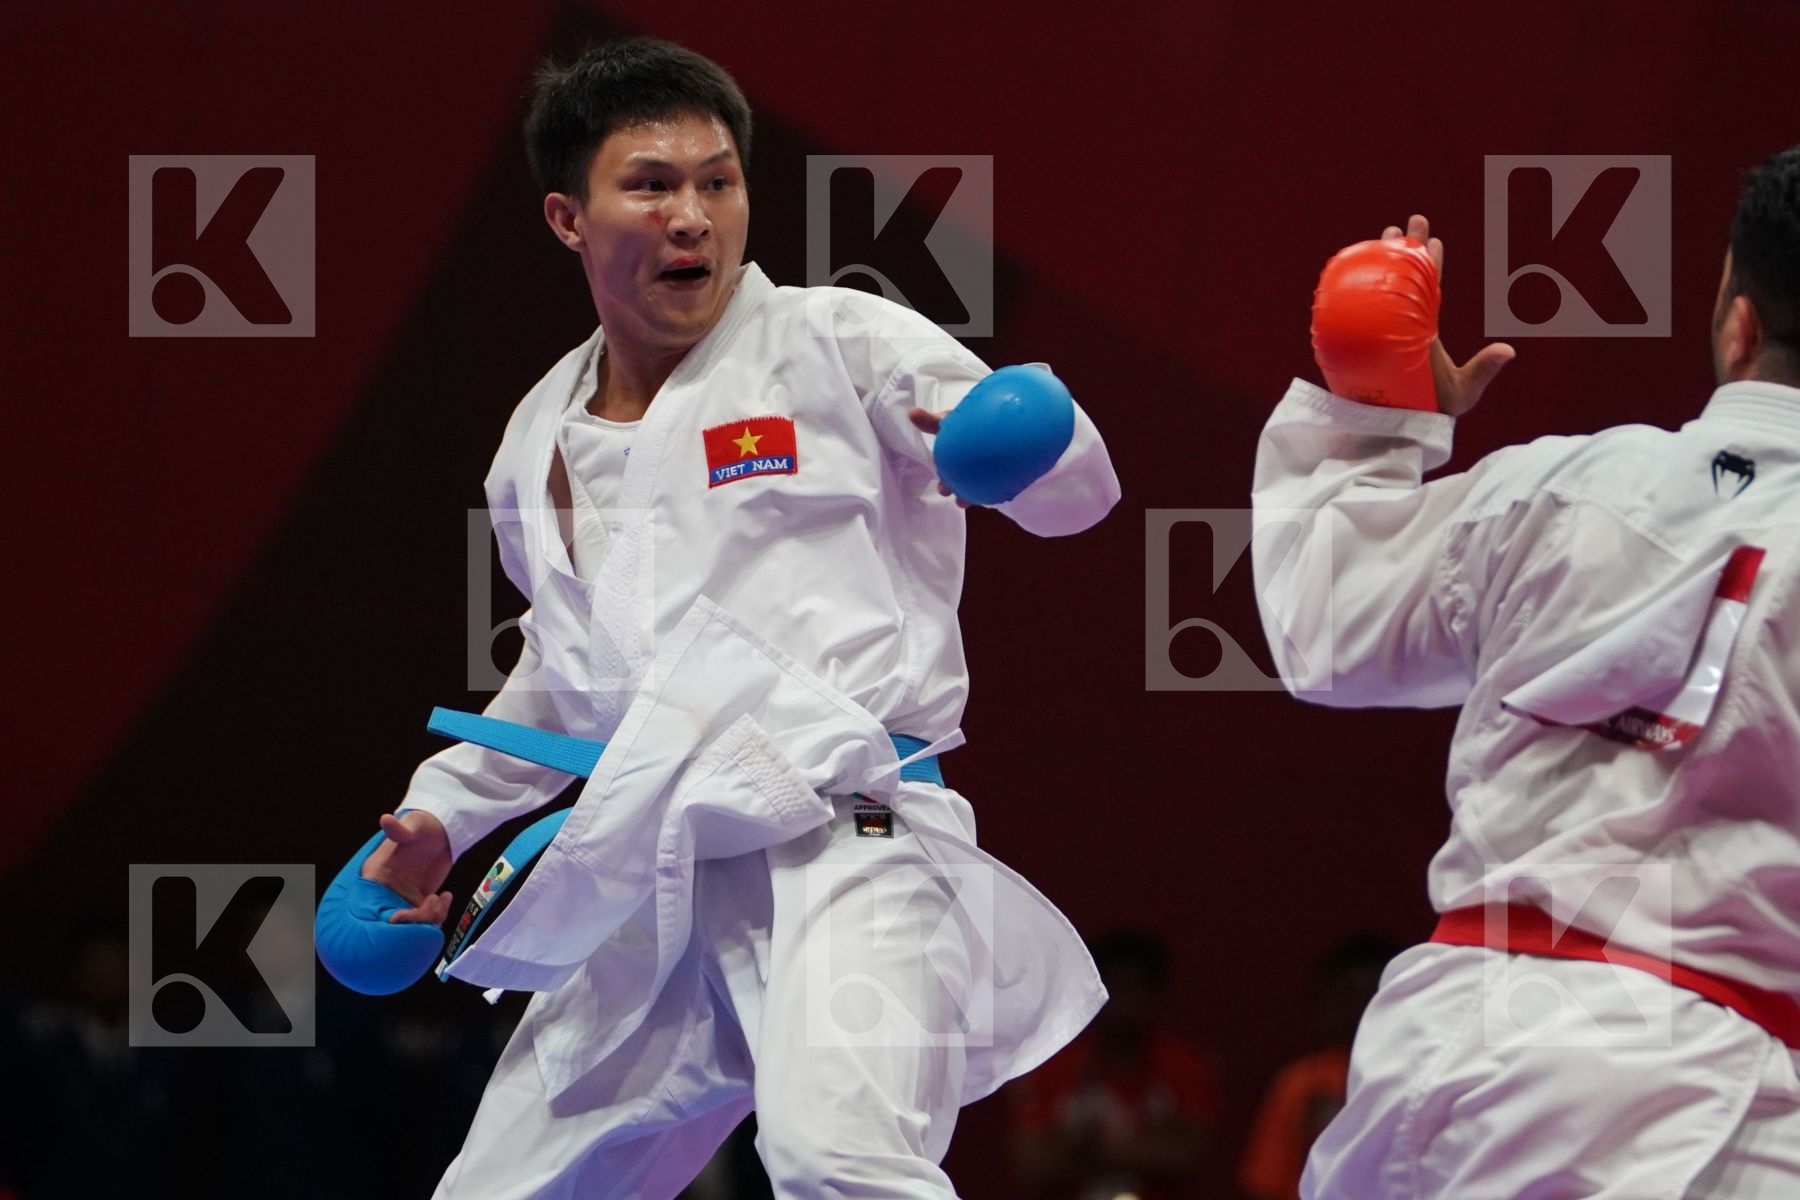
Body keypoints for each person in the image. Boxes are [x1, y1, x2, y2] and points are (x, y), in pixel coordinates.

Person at [350, 37, 1121, 1199]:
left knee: (835, 1161)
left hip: (848, 841)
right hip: (652, 866)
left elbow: (1073, 493)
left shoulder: (838, 344)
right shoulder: (532, 445)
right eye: (651, 185)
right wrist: (435, 817)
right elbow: (566, 677)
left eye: (718, 181)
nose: (694, 217)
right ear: (569, 218)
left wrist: (1032, 442)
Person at [1252, 145, 1800, 1198]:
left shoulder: (1560, 484)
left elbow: (1321, 623)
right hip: (1704, 1107)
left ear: (1738, 322)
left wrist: (1379, 412)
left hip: (1445, 1056)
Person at [1006, 929, 1217, 1200]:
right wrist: (1148, 1147)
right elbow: (1032, 1162)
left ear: (1156, 995)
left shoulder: (1185, 1068)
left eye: (1133, 988)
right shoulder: (1052, 1066)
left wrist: (1088, 1150)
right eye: (1112, 988)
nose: (1122, 1003)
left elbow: (1186, 1156)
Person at [1238, 934, 1399, 1200]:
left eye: (1366, 994)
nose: (1355, 1008)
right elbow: (1264, 1184)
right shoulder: (1301, 1081)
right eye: (1343, 993)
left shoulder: (1421, 1079)